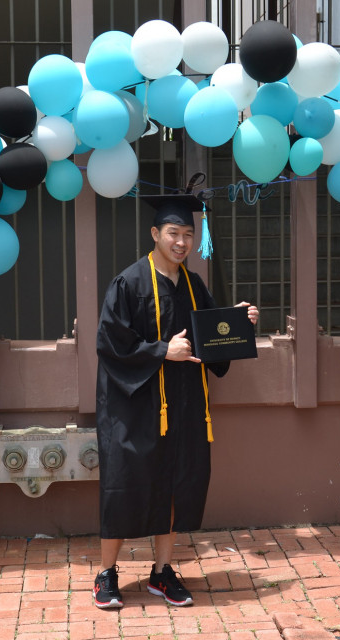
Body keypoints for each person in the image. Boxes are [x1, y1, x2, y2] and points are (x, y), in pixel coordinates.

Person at [92, 194, 259, 609]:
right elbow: (109, 344)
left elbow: (210, 338)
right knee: (123, 486)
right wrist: (161, 351)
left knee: (173, 484)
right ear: (155, 234)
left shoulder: (193, 284)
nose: (182, 241)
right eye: (173, 233)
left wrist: (238, 321)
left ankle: (161, 573)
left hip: (181, 406)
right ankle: (106, 574)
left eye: (188, 234)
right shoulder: (128, 283)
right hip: (133, 407)